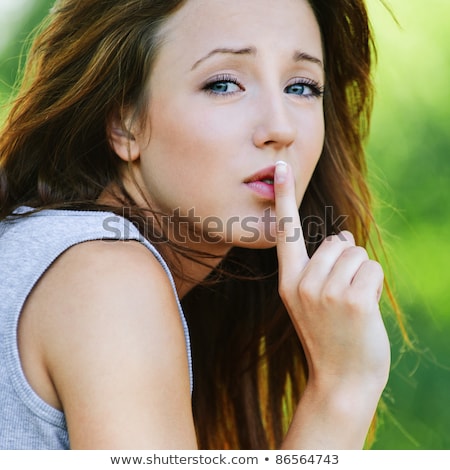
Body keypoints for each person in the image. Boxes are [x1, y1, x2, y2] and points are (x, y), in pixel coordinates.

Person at [0, 0, 394, 450]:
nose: (280, 128)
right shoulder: (106, 278)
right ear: (124, 122)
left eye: (302, 87)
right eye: (224, 84)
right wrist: (343, 388)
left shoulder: (54, 257)